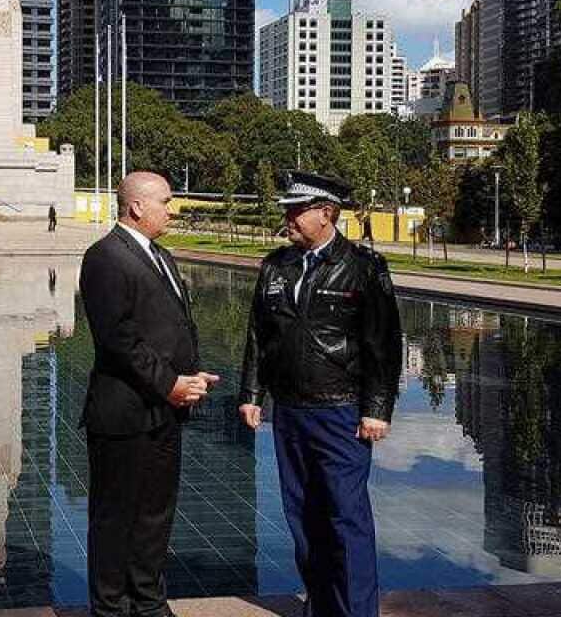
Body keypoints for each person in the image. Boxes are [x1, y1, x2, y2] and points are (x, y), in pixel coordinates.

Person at [237, 172, 402, 617]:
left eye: (296, 209)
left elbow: (384, 343)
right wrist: (252, 393)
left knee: (346, 518)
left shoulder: (365, 267)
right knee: (302, 516)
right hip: (289, 412)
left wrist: (377, 409)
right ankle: (322, 606)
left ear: (326, 213)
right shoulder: (276, 266)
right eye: (288, 209)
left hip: (342, 411)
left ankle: (356, 612)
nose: (287, 217)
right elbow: (259, 335)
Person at [79, 171, 219, 617]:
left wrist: (189, 377)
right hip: (123, 413)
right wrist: (170, 383)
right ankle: (111, 607)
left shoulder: (161, 255)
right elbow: (118, 339)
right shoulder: (104, 257)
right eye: (165, 200)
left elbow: (168, 328)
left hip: (164, 411)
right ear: (137, 206)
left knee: (156, 515)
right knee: (115, 516)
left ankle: (148, 600)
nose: (171, 209)